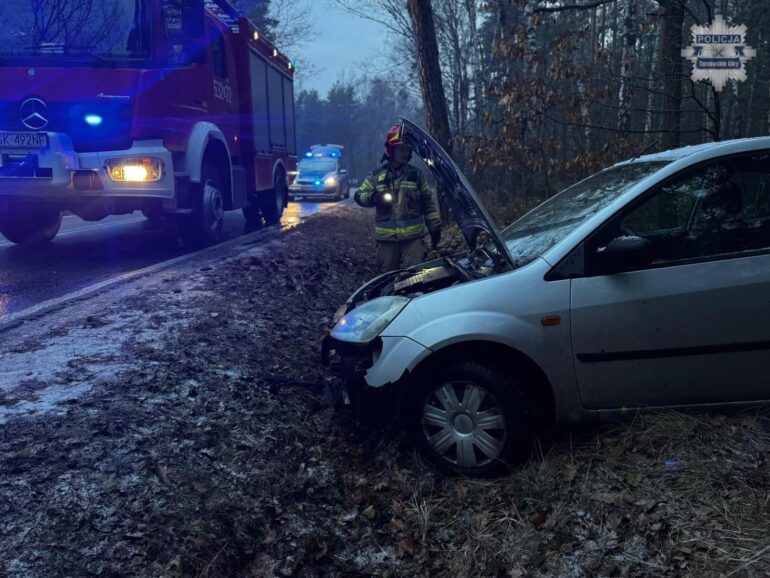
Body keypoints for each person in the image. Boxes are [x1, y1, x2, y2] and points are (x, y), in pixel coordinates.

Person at [355, 125, 442, 272]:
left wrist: (434, 228)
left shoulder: (416, 176)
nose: (404, 152)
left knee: (416, 278)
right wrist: (374, 197)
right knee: (386, 279)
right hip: (386, 241)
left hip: (413, 240)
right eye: (400, 148)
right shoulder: (376, 176)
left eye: (407, 149)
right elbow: (359, 196)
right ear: (391, 150)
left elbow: (428, 203)